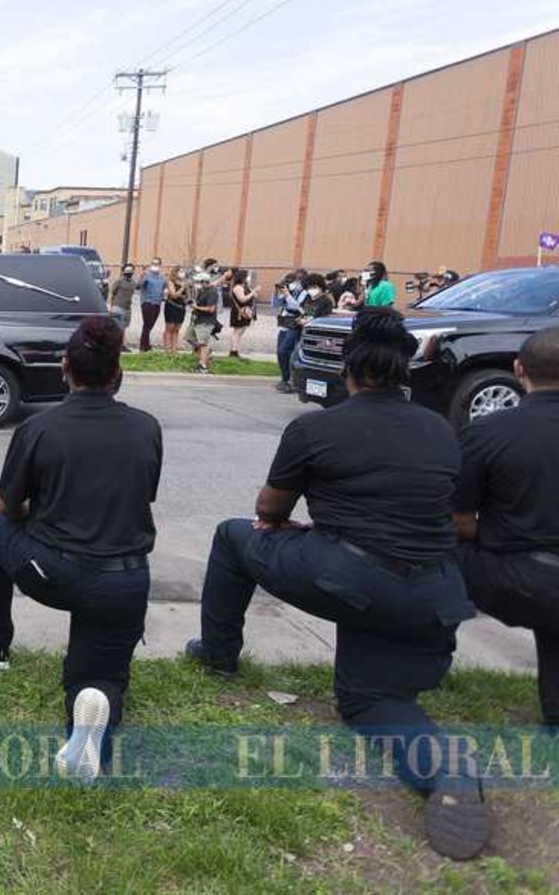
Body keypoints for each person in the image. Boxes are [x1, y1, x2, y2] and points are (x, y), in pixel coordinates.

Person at [186, 308, 487, 861]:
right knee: (372, 699)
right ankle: (448, 770)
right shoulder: (441, 430)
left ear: (347, 369)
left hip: (352, 578)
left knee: (232, 537)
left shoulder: (315, 428)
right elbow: (450, 517)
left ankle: (218, 654)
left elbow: (269, 510)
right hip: (432, 594)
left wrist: (294, 526)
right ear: (403, 371)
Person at [0, 316, 161, 782]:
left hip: (53, 572)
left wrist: (42, 511)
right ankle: (92, 712)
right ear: (117, 374)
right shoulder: (146, 427)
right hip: (123, 580)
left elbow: (6, 507)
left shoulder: (39, 427)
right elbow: (142, 494)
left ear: (64, 369)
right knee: (100, 677)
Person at [453, 328, 559, 730]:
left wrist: (499, 538)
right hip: (536, 579)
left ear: (518, 369)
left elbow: (459, 520)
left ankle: (415, 663)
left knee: (434, 547)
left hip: (516, 580)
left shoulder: (487, 432)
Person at [273, 271, 307, 393]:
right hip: (284, 324)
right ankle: (284, 379)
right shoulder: (289, 290)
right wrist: (277, 292)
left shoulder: (304, 292)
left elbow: (298, 307)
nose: (292, 283)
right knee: (280, 353)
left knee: (286, 351)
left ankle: (290, 381)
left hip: (294, 325)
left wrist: (287, 295)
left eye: (295, 280)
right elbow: (276, 304)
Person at [183, 270, 219, 374]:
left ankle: (203, 366)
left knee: (203, 343)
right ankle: (206, 353)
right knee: (188, 337)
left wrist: (197, 307)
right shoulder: (202, 291)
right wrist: (193, 304)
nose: (197, 284)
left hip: (206, 321)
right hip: (197, 320)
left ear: (204, 281)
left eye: (199, 282)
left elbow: (211, 309)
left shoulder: (212, 292)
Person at [137, 258, 167, 352]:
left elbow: (165, 288)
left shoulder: (162, 278)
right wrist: (142, 276)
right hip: (147, 302)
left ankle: (146, 344)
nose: (155, 265)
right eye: (153, 263)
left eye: (157, 263)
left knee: (151, 324)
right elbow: (139, 286)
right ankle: (143, 346)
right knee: (147, 324)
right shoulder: (147, 275)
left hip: (157, 303)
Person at [226, 269, 256, 359]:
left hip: (244, 311)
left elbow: (250, 296)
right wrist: (252, 293)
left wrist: (252, 293)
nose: (248, 278)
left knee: (240, 331)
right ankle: (234, 350)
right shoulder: (238, 287)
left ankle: (236, 350)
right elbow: (242, 299)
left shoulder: (244, 286)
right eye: (247, 277)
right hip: (239, 312)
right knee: (237, 331)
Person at [162, 268, 188, 354]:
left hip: (181, 308)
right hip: (172, 307)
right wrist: (182, 288)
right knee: (170, 328)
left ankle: (174, 349)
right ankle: (168, 349)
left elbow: (187, 296)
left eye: (182, 271)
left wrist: (186, 289)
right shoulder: (171, 282)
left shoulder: (184, 282)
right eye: (180, 271)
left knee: (177, 329)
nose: (182, 273)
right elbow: (174, 295)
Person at [108, 263, 137, 336]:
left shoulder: (133, 283)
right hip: (117, 307)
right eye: (127, 270)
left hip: (127, 309)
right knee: (116, 327)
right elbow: (112, 293)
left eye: (131, 270)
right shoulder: (119, 281)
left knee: (123, 328)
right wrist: (110, 306)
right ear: (123, 271)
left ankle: (121, 342)